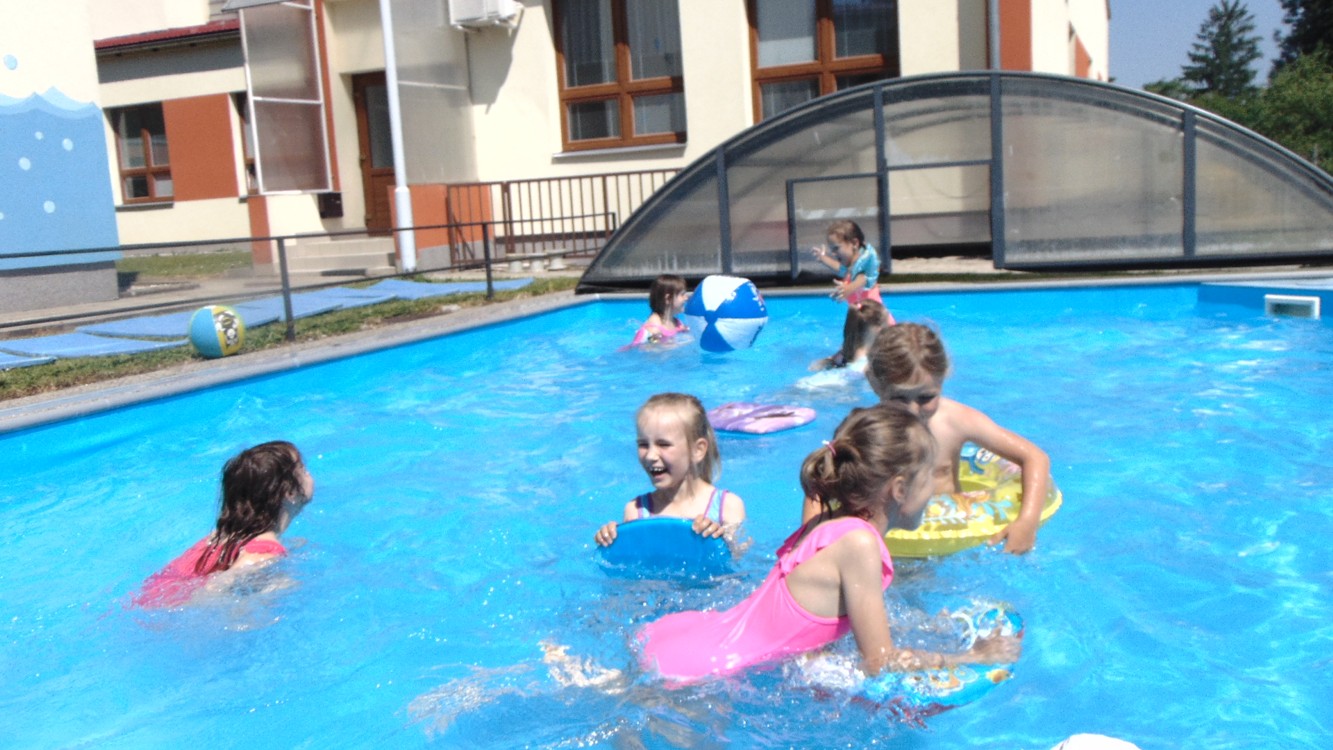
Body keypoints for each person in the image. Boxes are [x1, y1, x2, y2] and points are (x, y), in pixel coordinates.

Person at [637, 406, 1020, 683]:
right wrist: (968, 657)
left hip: (686, 638)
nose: (934, 489)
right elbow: (879, 663)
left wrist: (932, 626)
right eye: (929, 478)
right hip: (707, 670)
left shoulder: (830, 521)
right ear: (900, 489)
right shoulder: (860, 544)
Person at [860, 322, 1052, 554]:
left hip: (952, 540)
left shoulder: (955, 421)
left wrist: (1027, 522)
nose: (913, 410)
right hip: (894, 545)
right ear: (874, 382)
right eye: (899, 398)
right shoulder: (868, 432)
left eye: (926, 397)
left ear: (943, 379)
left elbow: (1035, 457)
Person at [133, 440, 315, 608]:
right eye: (303, 469)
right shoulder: (264, 554)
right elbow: (213, 592)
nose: (309, 473)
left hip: (144, 599)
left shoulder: (222, 535)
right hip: (166, 616)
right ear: (290, 493)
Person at [594, 393, 745, 547]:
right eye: (643, 445)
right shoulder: (636, 511)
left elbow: (739, 555)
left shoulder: (727, 507)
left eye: (663, 444)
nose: (650, 456)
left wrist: (720, 539)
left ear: (697, 450)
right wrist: (610, 540)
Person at [809, 219, 895, 319]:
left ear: (854, 243)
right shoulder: (851, 266)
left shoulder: (865, 265)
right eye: (832, 250)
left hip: (876, 320)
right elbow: (840, 269)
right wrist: (823, 258)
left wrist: (848, 289)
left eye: (836, 248)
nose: (833, 253)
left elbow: (862, 279)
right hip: (863, 318)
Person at [809, 299, 892, 372]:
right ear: (878, 329)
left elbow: (814, 367)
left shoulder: (840, 355)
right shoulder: (868, 367)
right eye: (886, 325)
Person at [629, 274, 690, 347]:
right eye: (682, 294)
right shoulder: (654, 328)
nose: (686, 298)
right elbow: (647, 349)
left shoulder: (677, 323)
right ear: (668, 299)